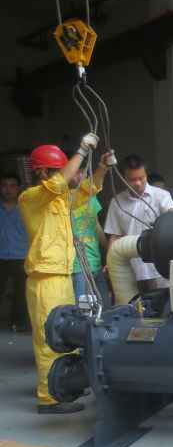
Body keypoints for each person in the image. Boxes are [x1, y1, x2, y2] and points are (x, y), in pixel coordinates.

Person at [19, 136, 110, 414]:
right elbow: (60, 183)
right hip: (45, 278)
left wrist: (102, 167)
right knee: (49, 337)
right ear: (42, 173)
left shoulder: (62, 199)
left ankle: (64, 389)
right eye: (57, 170)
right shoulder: (30, 198)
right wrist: (81, 150)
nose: (65, 175)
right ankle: (49, 398)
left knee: (66, 336)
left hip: (62, 274)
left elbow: (87, 190)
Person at [104, 155, 173, 296]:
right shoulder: (117, 202)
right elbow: (115, 236)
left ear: (146, 175)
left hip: (159, 268)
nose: (137, 183)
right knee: (133, 306)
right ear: (123, 178)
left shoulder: (162, 196)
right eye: (132, 179)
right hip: (131, 269)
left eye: (141, 178)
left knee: (165, 304)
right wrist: (110, 262)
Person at [71, 189, 110, 309]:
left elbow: (96, 225)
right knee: (83, 311)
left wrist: (109, 253)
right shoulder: (62, 200)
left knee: (105, 308)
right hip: (78, 266)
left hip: (96, 263)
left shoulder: (90, 196)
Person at [0, 174, 30, 332]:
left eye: (12, 185)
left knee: (21, 294)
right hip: (1, 256)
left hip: (22, 256)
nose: (8, 189)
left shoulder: (26, 208)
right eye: (4, 185)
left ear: (18, 188)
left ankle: (18, 323)